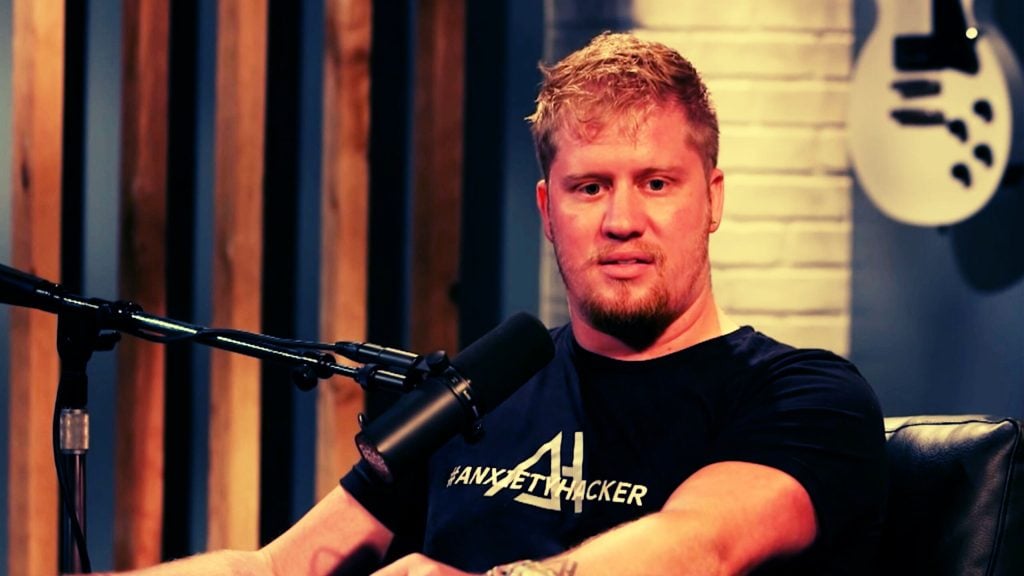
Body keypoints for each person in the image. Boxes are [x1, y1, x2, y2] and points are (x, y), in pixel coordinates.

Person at [103, 32, 886, 576]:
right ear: (548, 211)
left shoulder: (803, 396)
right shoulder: (483, 391)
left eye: (656, 182)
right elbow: (279, 565)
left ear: (711, 199)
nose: (620, 220)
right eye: (589, 188)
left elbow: (697, 547)